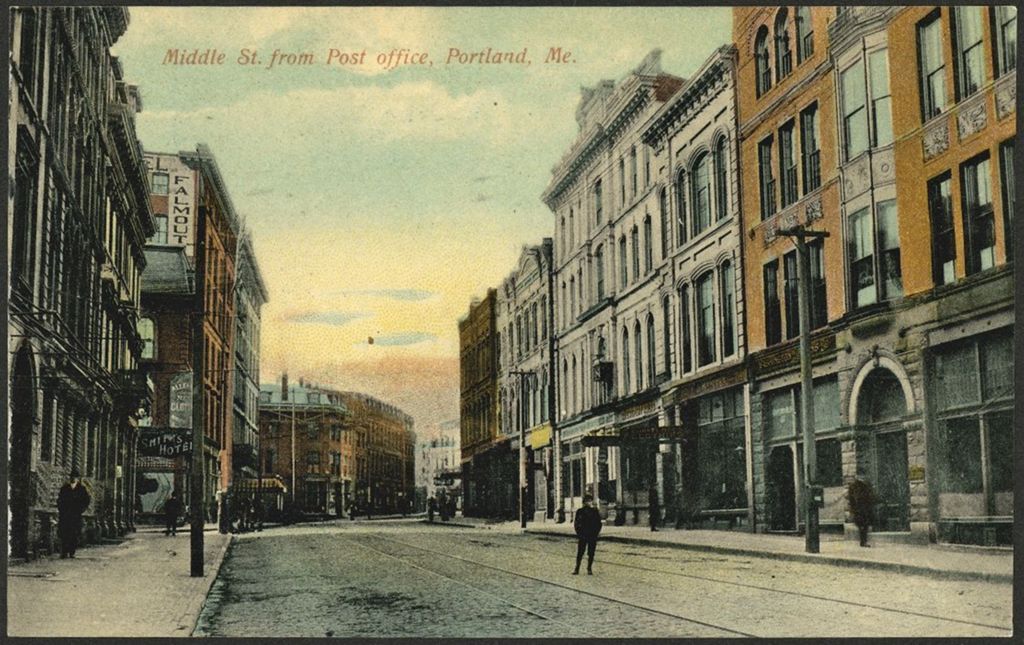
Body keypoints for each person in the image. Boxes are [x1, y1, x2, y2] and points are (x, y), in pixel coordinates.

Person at [57, 469, 91, 559]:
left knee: (74, 534)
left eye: (75, 477)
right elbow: (60, 500)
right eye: (72, 477)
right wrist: (61, 509)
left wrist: (81, 509)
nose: (73, 479)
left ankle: (72, 552)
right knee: (65, 533)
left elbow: (86, 500)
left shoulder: (81, 489)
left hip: (76, 515)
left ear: (77, 478)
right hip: (65, 515)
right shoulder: (65, 488)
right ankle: (64, 552)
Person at [573, 494, 603, 575]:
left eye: (590, 501)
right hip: (583, 535)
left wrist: (596, 533)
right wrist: (579, 533)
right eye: (587, 501)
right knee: (580, 553)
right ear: (584, 502)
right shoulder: (580, 511)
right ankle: (577, 568)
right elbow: (576, 523)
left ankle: (589, 568)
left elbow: (599, 524)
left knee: (591, 553)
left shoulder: (594, 511)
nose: (589, 503)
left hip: (592, 535)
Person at [848, 477, 877, 547]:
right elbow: (855, 498)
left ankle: (863, 541)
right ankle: (863, 542)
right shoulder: (861, 485)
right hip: (861, 509)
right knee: (863, 525)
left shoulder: (854, 486)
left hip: (861, 509)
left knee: (863, 525)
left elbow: (852, 499)